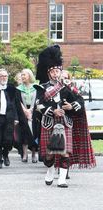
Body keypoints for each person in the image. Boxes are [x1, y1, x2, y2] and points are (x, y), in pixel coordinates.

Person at [35, 45, 95, 188]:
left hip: (65, 122)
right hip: (49, 122)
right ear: (49, 73)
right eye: (53, 72)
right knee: (48, 155)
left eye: (58, 71)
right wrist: (52, 111)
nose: (56, 74)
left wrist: (71, 106)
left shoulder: (68, 87)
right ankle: (50, 171)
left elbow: (80, 101)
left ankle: (62, 179)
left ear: (61, 72)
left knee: (65, 153)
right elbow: (38, 105)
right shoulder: (42, 88)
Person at [17, 69, 37, 163]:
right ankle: (25, 154)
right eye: (22, 75)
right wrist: (25, 111)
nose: (22, 77)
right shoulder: (19, 88)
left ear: (29, 76)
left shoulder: (36, 87)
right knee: (24, 133)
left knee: (34, 133)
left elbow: (37, 100)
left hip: (34, 112)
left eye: (24, 75)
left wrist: (31, 110)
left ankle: (34, 153)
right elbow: (18, 101)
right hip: (23, 112)